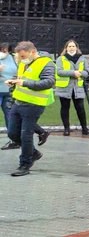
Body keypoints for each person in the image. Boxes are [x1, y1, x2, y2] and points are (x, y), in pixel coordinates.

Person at [6, 41, 55, 177]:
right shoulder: (24, 63)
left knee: (25, 135)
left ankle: (25, 164)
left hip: (34, 104)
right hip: (19, 101)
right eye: (20, 56)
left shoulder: (47, 63)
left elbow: (49, 82)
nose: (21, 59)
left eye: (23, 56)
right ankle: (33, 153)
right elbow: (21, 78)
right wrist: (14, 81)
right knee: (12, 133)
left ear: (32, 52)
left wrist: (24, 83)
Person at [55, 40, 89, 136]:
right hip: (65, 87)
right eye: (69, 46)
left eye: (73, 46)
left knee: (80, 108)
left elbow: (88, 71)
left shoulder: (82, 59)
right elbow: (59, 71)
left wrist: (81, 73)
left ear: (76, 48)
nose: (71, 48)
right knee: (65, 108)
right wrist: (73, 73)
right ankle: (66, 129)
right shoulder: (61, 59)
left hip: (78, 87)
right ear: (66, 48)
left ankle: (84, 128)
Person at [0, 43, 15, 128]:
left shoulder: (13, 58)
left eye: (6, 50)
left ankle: (12, 135)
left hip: (8, 90)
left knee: (9, 113)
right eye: (2, 50)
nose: (4, 52)